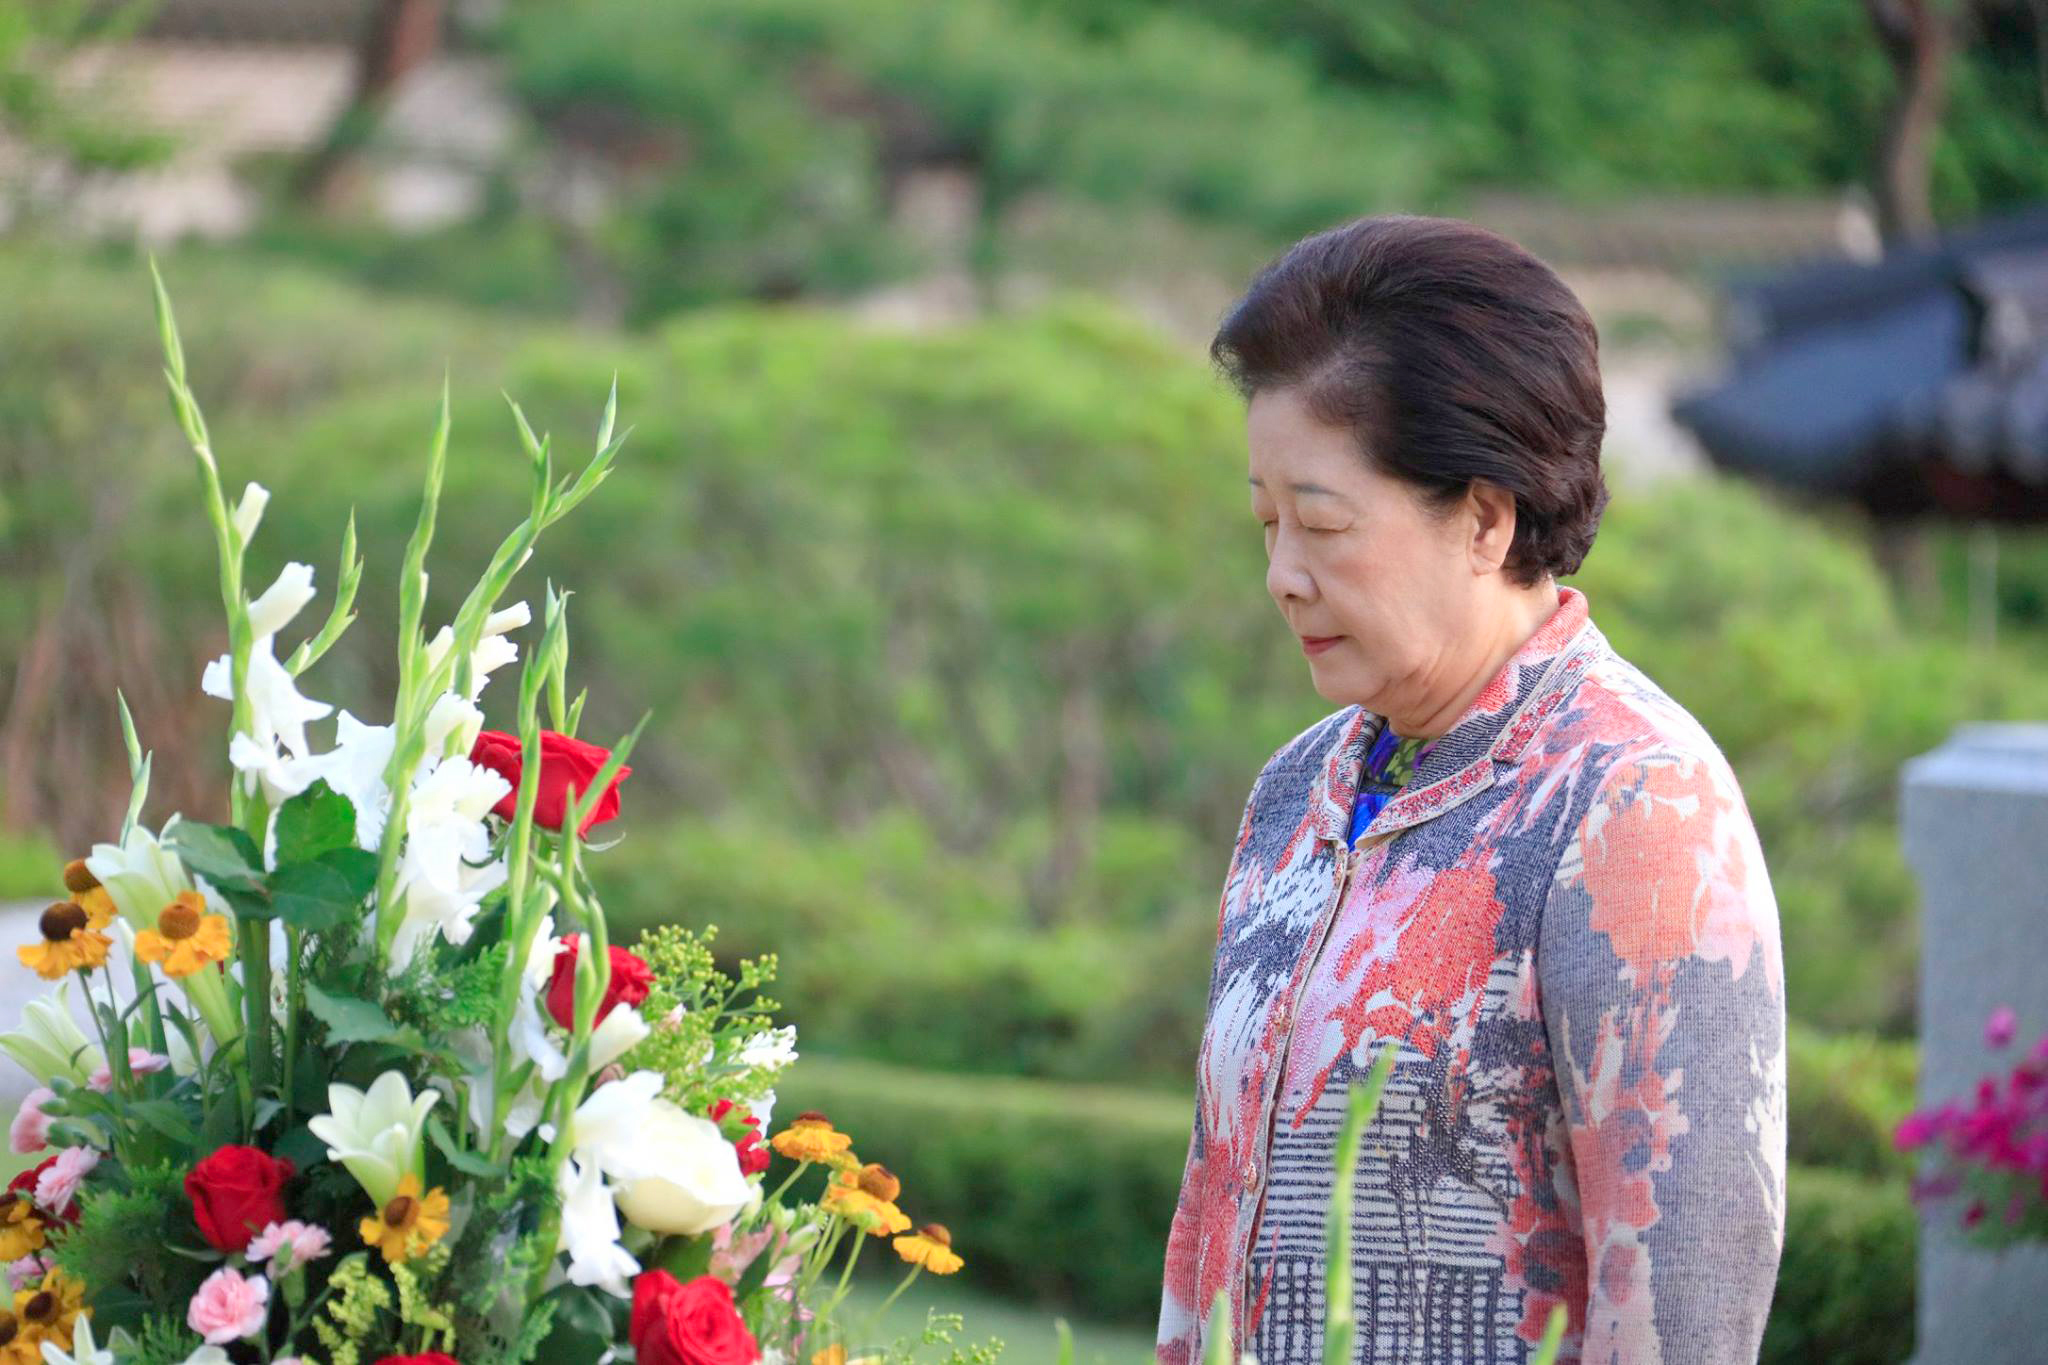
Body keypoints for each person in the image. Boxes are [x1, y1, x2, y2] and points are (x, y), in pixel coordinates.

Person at [1156, 215, 1787, 1365]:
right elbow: (1208, 1219)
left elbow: (1683, 1312)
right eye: (1265, 521)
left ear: (1484, 519)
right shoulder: (1293, 790)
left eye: (1323, 523)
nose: (1280, 575)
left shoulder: (1632, 804)